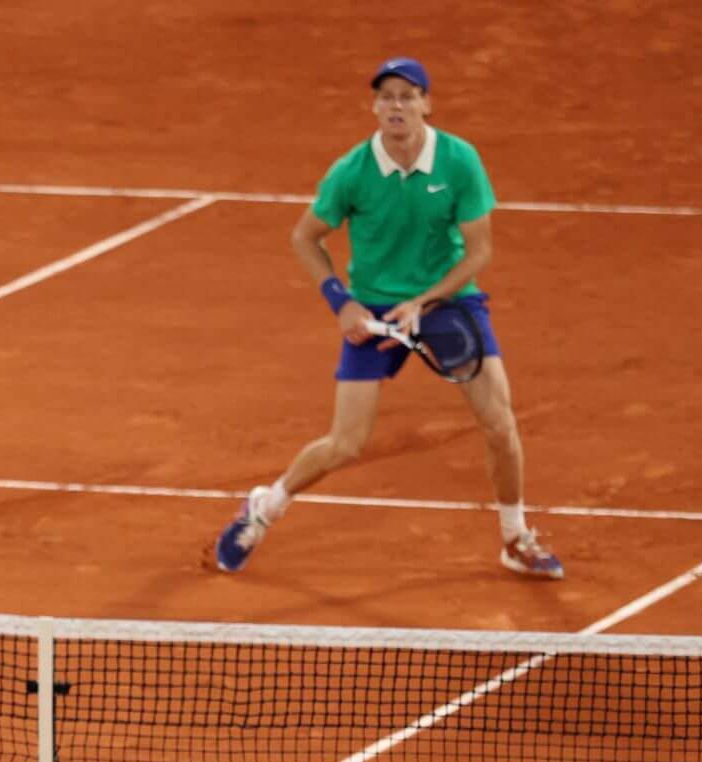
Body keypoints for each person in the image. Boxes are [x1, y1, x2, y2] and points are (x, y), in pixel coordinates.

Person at [214, 56, 561, 581]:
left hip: (447, 304)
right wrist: (343, 303)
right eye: (386, 96)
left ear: (426, 104)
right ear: (375, 107)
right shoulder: (351, 171)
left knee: (499, 422)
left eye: (407, 95)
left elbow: (479, 252)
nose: (396, 105)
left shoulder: (459, 160)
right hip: (374, 312)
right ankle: (265, 508)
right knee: (346, 443)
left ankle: (515, 537)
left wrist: (424, 301)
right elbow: (304, 237)